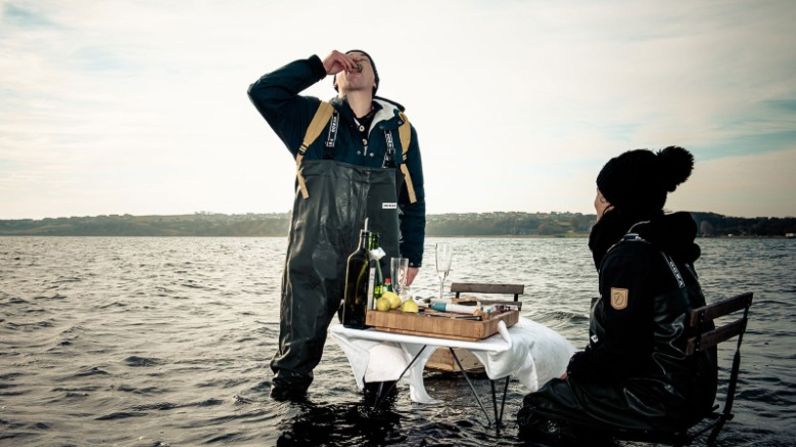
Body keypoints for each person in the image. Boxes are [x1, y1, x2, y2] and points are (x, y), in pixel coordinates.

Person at [248, 50, 426, 401]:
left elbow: (414, 201)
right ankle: (289, 420)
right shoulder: (310, 118)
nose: (353, 62)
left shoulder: (401, 131)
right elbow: (262, 92)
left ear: (375, 79)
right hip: (314, 261)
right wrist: (317, 66)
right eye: (346, 61)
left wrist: (412, 257)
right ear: (336, 79)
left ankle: (379, 426)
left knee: (382, 365)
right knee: (294, 361)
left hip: (377, 267)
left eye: (363, 61)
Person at [517, 146, 717, 442]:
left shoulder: (628, 256)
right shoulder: (666, 245)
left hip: (659, 399)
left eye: (599, 195)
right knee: (571, 394)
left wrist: (576, 369)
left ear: (614, 203)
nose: (595, 204)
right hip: (694, 389)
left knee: (538, 406)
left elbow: (624, 351)